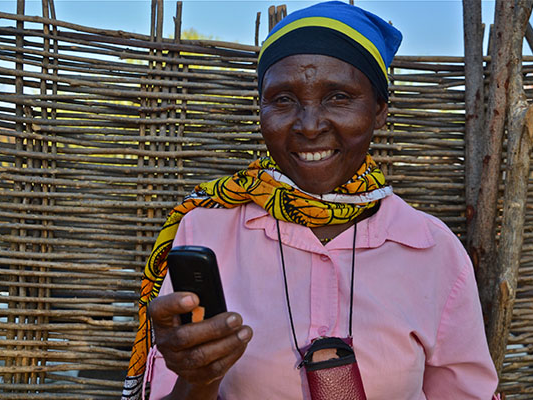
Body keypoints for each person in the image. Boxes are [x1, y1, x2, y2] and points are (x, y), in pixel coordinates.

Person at [122, 1, 499, 399]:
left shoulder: (432, 249)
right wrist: (198, 380)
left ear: (379, 111)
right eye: (283, 99)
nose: (309, 125)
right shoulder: (206, 230)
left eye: (338, 97)